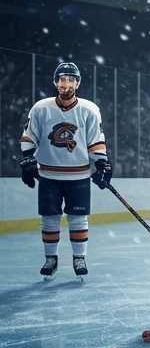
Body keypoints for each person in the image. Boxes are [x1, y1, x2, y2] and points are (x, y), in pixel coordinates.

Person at [19, 62, 111, 280]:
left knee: (78, 218)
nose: (65, 83)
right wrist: (28, 159)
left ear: (77, 83)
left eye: (70, 79)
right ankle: (51, 259)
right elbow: (29, 135)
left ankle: (79, 257)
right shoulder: (41, 107)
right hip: (49, 174)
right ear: (55, 82)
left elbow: (95, 140)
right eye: (62, 79)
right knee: (49, 218)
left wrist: (101, 163)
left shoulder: (89, 109)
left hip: (79, 174)